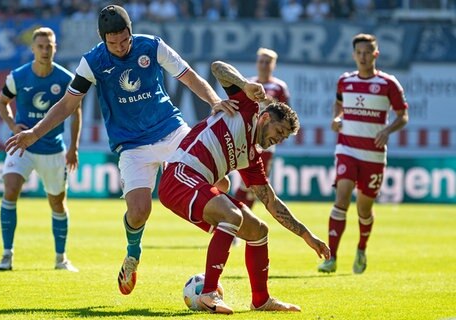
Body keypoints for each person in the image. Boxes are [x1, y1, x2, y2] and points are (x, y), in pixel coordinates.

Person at [4, 5, 237, 293]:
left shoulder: (152, 46)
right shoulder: (92, 62)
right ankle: (133, 254)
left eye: (124, 40)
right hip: (131, 145)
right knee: (139, 212)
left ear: (130, 30)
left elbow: (188, 76)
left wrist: (214, 100)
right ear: (103, 40)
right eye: (112, 43)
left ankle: (223, 233)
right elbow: (68, 104)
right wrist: (34, 133)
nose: (120, 47)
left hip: (171, 131)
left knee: (221, 180)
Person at [158, 60, 331, 314]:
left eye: (283, 138)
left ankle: (261, 299)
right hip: (179, 176)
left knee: (258, 230)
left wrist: (307, 235)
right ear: (266, 117)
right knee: (232, 215)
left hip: (197, 184)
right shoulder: (246, 106)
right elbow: (217, 67)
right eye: (279, 131)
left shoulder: (252, 158)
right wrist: (245, 84)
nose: (277, 141)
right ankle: (208, 293)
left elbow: (272, 203)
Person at [317, 33, 409, 274]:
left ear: (376, 54)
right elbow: (338, 104)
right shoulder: (345, 81)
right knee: (342, 199)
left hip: (374, 154)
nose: (363, 57)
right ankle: (332, 257)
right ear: (353, 55)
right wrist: (336, 118)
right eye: (359, 53)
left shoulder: (389, 84)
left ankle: (361, 248)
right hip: (346, 148)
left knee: (364, 210)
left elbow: (403, 116)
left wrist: (388, 130)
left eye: (368, 52)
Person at [0, 27, 79, 272]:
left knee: (57, 203)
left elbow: (77, 113)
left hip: (52, 149)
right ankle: (7, 254)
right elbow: (1, 102)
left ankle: (60, 258)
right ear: (32, 49)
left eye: (49, 46)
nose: (45, 50)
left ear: (55, 48)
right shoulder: (18, 77)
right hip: (21, 145)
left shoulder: (65, 79)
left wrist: (73, 147)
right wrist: (13, 125)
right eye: (40, 46)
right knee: (10, 189)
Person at [233, 47, 291, 210]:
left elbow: (287, 114)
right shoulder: (249, 83)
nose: (264, 65)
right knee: (247, 183)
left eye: (268, 62)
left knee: (253, 187)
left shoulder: (279, 87)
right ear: (257, 63)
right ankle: (237, 221)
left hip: (266, 142)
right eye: (261, 61)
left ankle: (240, 223)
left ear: (273, 65)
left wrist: (271, 103)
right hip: (245, 136)